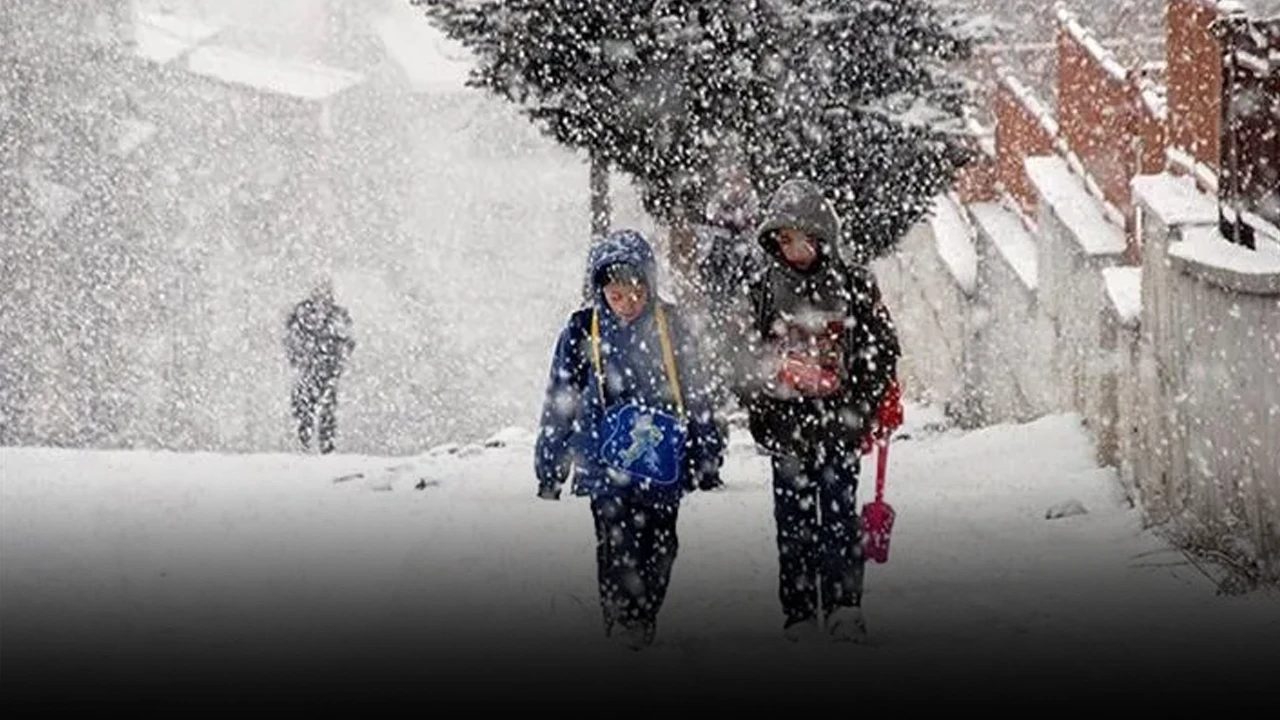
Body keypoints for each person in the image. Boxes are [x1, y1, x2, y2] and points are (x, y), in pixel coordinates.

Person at [535, 228, 725, 650]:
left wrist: (707, 451)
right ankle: (622, 618)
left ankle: (644, 613)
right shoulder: (584, 329)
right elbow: (559, 398)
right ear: (601, 291)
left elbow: (696, 393)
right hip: (603, 460)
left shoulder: (671, 326)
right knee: (615, 541)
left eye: (635, 293)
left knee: (661, 543)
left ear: (650, 286)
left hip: (662, 460)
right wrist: (550, 464)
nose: (626, 304)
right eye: (616, 296)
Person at [739, 178, 903, 643]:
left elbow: (881, 348)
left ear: (823, 237)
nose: (795, 250)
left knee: (837, 517)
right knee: (792, 521)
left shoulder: (852, 285)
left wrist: (863, 405)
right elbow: (744, 352)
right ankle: (798, 610)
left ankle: (844, 604)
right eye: (785, 240)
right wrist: (762, 407)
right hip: (787, 426)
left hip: (839, 424)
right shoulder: (763, 289)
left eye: (804, 239)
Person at [284, 279, 356, 454]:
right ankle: (307, 445)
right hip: (312, 368)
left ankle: (321, 447)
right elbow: (291, 340)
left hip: (323, 369)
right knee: (307, 408)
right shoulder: (305, 314)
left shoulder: (335, 315)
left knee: (324, 409)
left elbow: (348, 341)